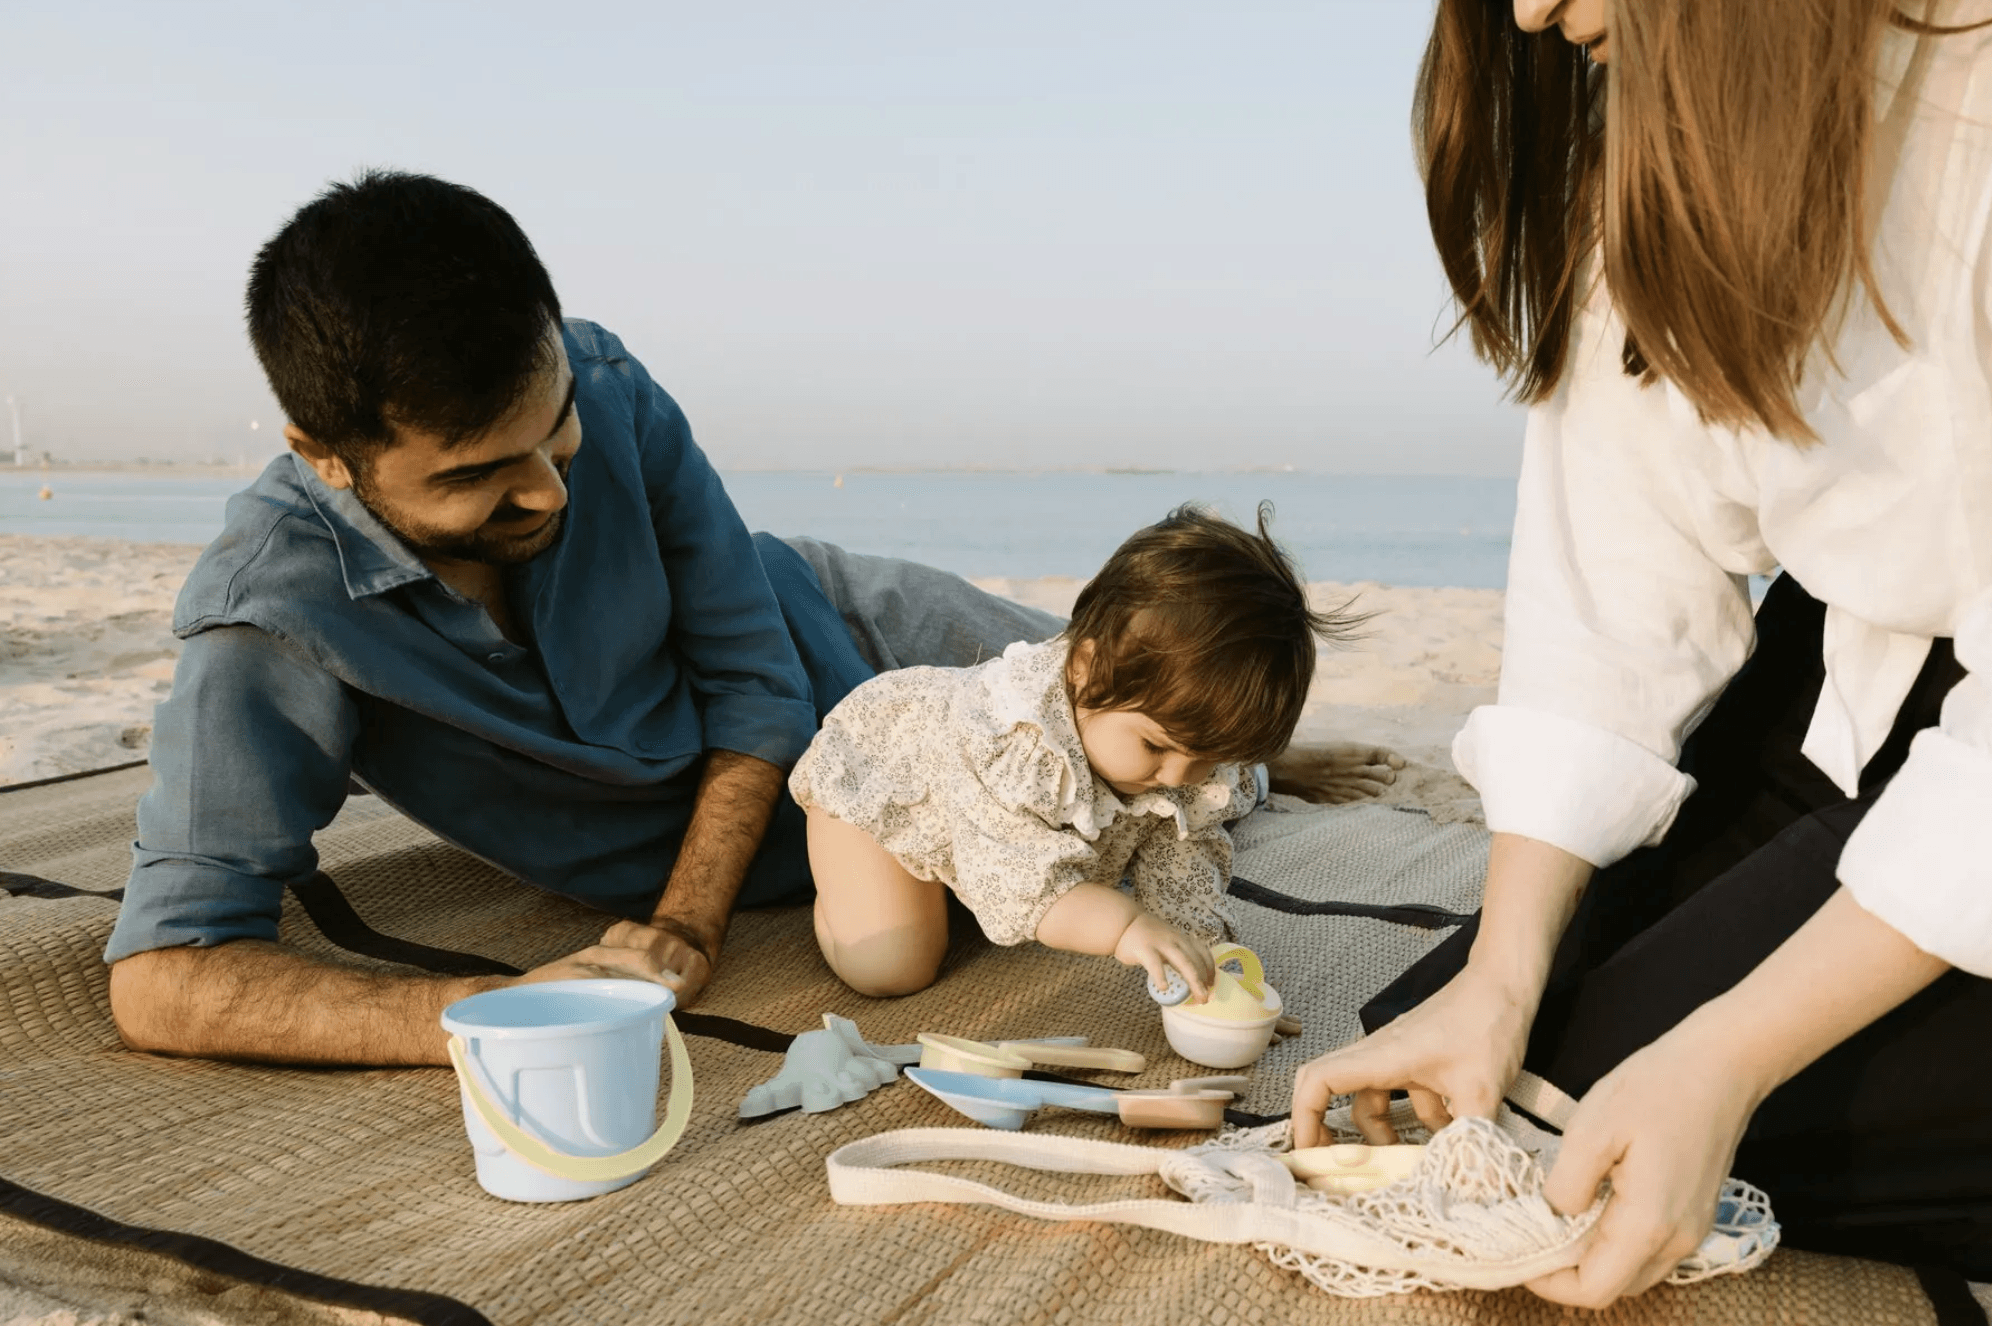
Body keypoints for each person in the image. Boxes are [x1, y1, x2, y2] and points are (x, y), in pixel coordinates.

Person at [106, 170, 1400, 1070]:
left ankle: (1274, 764)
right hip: (845, 797)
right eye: (476, 476)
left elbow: (750, 668)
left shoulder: (605, 376)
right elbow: (166, 972)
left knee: (1188, 724)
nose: (551, 486)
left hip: (860, 627)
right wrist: (487, 1009)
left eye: (553, 428)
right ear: (325, 455)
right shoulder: (266, 623)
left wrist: (686, 928)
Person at [1292, 0, 1992, 1309]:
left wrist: (1729, 1057)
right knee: (1452, 1076)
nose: (1529, 9)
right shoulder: (1645, 145)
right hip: (1855, 679)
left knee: (1584, 1135)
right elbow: (1610, 595)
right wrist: (1501, 979)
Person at [794, 506, 1362, 1000]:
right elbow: (1023, 884)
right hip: (885, 782)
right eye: (1156, 746)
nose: (1181, 776)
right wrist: (1124, 927)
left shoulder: (1178, 760)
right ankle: (840, 893)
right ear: (1084, 672)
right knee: (894, 967)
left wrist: (1215, 976)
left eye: (1209, 760)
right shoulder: (1009, 742)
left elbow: (1185, 866)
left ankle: (1260, 779)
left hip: (1001, 834)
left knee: (1136, 843)